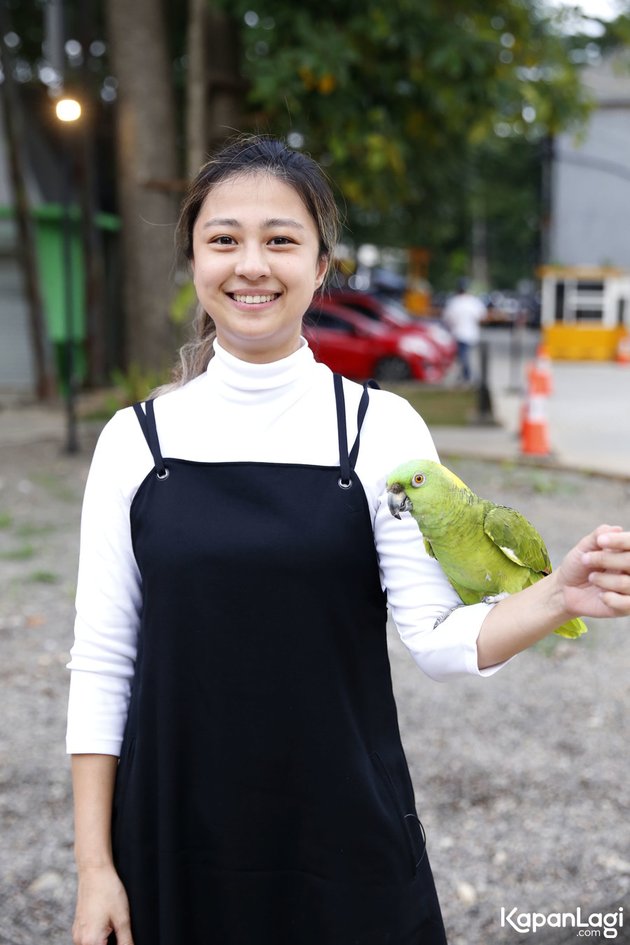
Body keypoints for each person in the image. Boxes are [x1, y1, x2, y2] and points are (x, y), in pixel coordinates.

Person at [67, 136, 630, 945]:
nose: (251, 264)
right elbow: (102, 664)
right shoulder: (133, 440)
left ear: (321, 266)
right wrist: (95, 868)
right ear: (193, 259)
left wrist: (555, 594)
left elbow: (436, 638)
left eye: (281, 240)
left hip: (341, 827)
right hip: (172, 829)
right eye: (223, 239)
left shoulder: (379, 427)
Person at [441, 280, 487, 383]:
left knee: (463, 356)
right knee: (463, 356)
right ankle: (465, 375)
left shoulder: (454, 302)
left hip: (458, 334)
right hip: (470, 334)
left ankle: (467, 375)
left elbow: (447, 319)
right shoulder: (473, 301)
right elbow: (481, 316)